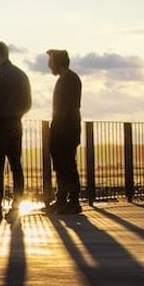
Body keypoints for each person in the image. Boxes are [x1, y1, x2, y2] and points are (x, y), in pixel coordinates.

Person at [0, 41, 32, 221]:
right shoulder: (22, 76)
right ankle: (16, 206)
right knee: (16, 166)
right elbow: (28, 103)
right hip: (16, 125)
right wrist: (17, 115)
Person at [44, 49, 83, 215]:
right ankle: (61, 200)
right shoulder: (65, 79)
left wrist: (58, 126)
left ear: (58, 62)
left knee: (67, 165)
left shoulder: (70, 79)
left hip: (66, 129)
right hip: (63, 128)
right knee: (61, 165)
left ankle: (73, 201)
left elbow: (67, 108)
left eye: (51, 62)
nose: (49, 65)